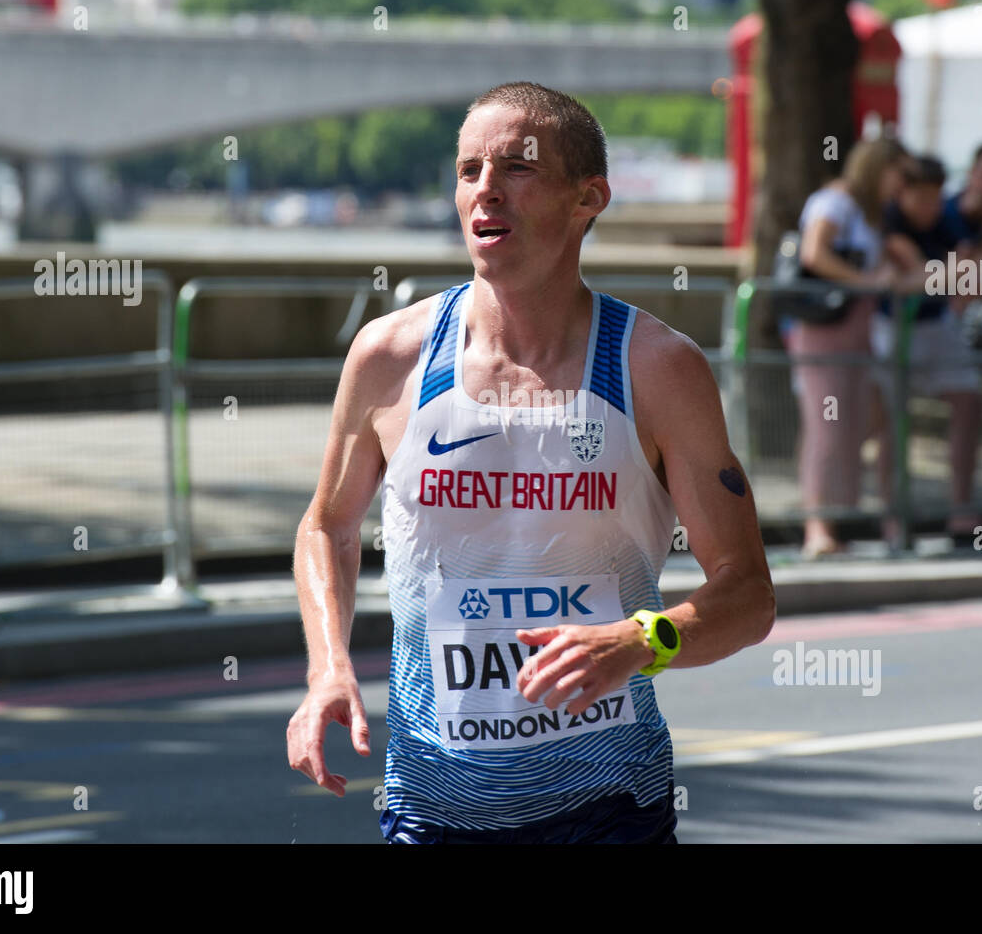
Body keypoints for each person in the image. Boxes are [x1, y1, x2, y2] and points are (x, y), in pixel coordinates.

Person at [286, 81, 776, 844]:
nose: (485, 190)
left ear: (589, 198)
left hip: (608, 808)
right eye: (468, 169)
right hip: (430, 807)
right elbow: (328, 525)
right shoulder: (390, 356)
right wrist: (328, 668)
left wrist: (644, 639)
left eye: (517, 167)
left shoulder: (656, 368)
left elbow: (747, 595)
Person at [790, 136, 917, 557]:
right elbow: (814, 253)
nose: (905, 185)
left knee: (858, 423)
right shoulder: (836, 202)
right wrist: (866, 283)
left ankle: (843, 518)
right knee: (826, 428)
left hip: (857, 334)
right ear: (881, 167)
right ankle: (818, 526)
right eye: (901, 174)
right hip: (825, 330)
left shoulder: (871, 215)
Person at [876, 154, 982, 543]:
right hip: (891, 327)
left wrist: (950, 278)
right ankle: (893, 515)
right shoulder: (888, 218)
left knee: (969, 401)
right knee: (892, 423)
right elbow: (910, 274)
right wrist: (945, 275)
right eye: (920, 197)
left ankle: (961, 508)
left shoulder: (949, 219)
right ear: (902, 193)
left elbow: (967, 274)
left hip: (936, 325)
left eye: (935, 197)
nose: (929, 207)